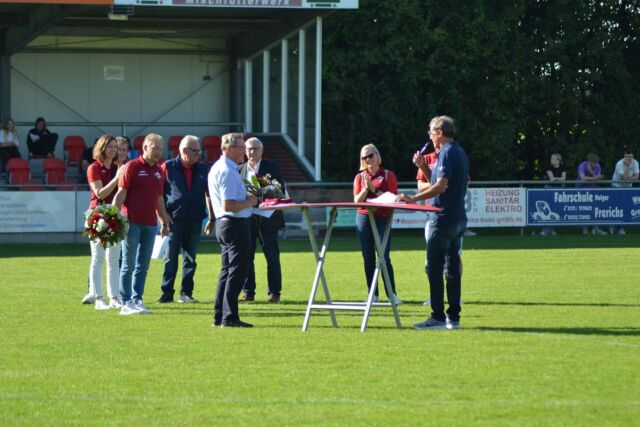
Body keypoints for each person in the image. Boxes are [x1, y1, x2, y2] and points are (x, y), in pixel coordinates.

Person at [397, 115, 469, 330]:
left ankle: (437, 317)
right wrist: (423, 166)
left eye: (430, 131)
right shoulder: (458, 152)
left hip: (442, 218)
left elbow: (441, 187)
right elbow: (437, 181)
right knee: (452, 267)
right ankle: (453, 318)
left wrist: (412, 198)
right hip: (457, 218)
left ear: (439, 133)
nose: (429, 135)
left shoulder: (446, 153)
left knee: (434, 268)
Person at [113, 133, 171, 316]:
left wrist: (163, 221)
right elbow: (121, 193)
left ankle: (138, 299)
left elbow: (159, 198)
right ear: (145, 148)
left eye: (161, 149)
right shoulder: (132, 166)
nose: (159, 152)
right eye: (155, 148)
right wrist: (114, 215)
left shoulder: (159, 171)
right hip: (131, 222)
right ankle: (126, 301)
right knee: (128, 264)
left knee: (143, 265)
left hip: (151, 224)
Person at [208, 132, 258, 328]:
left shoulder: (219, 168)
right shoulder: (228, 171)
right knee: (236, 273)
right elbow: (229, 204)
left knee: (226, 272)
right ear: (228, 149)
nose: (244, 151)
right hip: (234, 223)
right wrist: (251, 201)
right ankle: (229, 317)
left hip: (225, 224)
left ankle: (220, 316)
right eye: (240, 147)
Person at [157, 135, 213, 304]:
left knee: (190, 258)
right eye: (195, 151)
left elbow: (209, 194)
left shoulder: (203, 168)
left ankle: (186, 293)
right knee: (171, 258)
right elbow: (158, 195)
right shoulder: (167, 167)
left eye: (199, 151)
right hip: (174, 220)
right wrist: (163, 218)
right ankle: (167, 293)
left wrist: (212, 217)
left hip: (195, 220)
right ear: (183, 151)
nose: (198, 154)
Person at [239, 137, 286, 303]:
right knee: (246, 256)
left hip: (269, 217)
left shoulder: (272, 167)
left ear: (262, 150)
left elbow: (279, 189)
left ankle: (274, 293)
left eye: (256, 148)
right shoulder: (240, 169)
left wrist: (260, 183)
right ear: (245, 151)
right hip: (247, 216)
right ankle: (248, 292)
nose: (252, 152)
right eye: (249, 149)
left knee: (272, 256)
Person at [353, 144, 400, 304]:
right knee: (368, 258)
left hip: (382, 219)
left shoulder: (388, 175)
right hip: (364, 218)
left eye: (370, 156)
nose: (368, 160)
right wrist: (366, 190)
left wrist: (374, 190)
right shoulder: (360, 177)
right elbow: (357, 201)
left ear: (377, 156)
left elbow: (392, 198)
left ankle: (392, 294)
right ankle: (372, 294)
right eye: (364, 158)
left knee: (384, 257)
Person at [85, 135, 124, 310]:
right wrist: (116, 178)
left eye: (115, 147)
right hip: (97, 215)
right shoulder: (93, 167)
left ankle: (114, 297)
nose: (113, 150)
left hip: (114, 214)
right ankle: (99, 298)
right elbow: (100, 193)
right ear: (102, 147)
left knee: (114, 259)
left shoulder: (118, 167)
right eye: (110, 146)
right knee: (98, 258)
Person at [610, 150, 639, 235]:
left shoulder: (636, 163)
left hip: (627, 187)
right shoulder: (619, 163)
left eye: (630, 157)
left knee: (625, 207)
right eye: (626, 156)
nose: (628, 158)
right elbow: (624, 178)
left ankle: (619, 227)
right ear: (624, 156)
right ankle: (615, 226)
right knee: (616, 207)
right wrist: (628, 167)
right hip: (616, 187)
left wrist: (628, 178)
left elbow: (637, 177)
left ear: (633, 157)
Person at [577, 153, 606, 236]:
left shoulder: (598, 166)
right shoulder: (582, 165)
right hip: (581, 190)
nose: (594, 164)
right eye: (592, 163)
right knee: (584, 210)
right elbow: (583, 179)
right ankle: (585, 230)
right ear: (589, 161)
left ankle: (596, 229)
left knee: (595, 209)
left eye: (595, 163)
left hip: (592, 190)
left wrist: (591, 172)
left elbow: (597, 180)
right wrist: (595, 178)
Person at [539, 153, 566, 236]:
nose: (551, 160)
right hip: (549, 189)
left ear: (558, 160)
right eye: (551, 158)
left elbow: (563, 179)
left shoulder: (562, 167)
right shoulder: (549, 168)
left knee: (555, 210)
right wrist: (558, 179)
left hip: (558, 190)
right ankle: (545, 230)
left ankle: (552, 230)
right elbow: (551, 179)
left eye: (553, 159)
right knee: (547, 210)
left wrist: (557, 178)